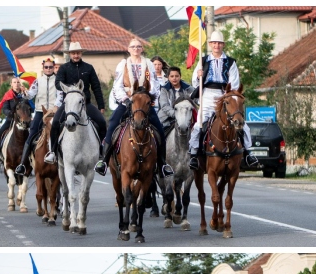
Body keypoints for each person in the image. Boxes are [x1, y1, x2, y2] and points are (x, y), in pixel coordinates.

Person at [94, 38, 173, 178]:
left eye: (138, 46)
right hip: (128, 101)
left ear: (142, 49)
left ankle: (162, 164)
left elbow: (155, 84)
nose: (136, 49)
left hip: (143, 102)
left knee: (159, 130)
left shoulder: (148, 64)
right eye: (133, 47)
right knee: (112, 125)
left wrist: (148, 96)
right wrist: (125, 99)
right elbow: (117, 86)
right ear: (128, 49)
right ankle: (104, 161)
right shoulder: (123, 64)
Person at [189, 30, 258, 171]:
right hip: (207, 95)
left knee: (241, 123)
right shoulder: (203, 60)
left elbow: (235, 83)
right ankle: (194, 154)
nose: (217, 46)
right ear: (210, 44)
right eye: (214, 43)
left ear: (223, 45)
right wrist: (198, 76)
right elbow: (195, 83)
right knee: (199, 124)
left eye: (219, 43)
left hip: (225, 94)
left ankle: (248, 153)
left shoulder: (230, 62)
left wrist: (228, 95)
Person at [44, 42, 107, 165]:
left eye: (78, 53)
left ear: (81, 53)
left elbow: (96, 87)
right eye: (73, 53)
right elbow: (58, 83)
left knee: (102, 122)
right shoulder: (64, 68)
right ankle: (53, 152)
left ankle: (100, 151)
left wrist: (101, 105)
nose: (76, 55)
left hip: (85, 104)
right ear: (70, 54)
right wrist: (71, 88)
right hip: (68, 104)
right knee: (55, 122)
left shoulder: (89, 68)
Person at [14, 59, 59, 175]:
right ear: (43, 68)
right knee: (32, 132)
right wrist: (25, 92)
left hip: (54, 112)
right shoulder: (37, 82)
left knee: (65, 131)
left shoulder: (58, 81)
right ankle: (23, 164)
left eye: (50, 67)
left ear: (54, 68)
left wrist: (56, 107)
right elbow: (30, 95)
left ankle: (69, 162)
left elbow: (60, 96)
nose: (48, 69)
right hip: (40, 111)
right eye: (46, 67)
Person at [0, 77, 27, 159]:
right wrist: (11, 113)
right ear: (11, 84)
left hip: (24, 120)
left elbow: (30, 107)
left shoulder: (25, 94)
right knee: (0, 133)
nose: (16, 84)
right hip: (11, 119)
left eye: (18, 82)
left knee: (33, 132)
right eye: (14, 82)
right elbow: (5, 109)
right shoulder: (8, 95)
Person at [157, 66, 194, 132]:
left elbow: (195, 100)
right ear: (168, 77)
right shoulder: (164, 89)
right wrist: (176, 114)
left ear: (180, 76)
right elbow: (164, 105)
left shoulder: (188, 88)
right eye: (172, 76)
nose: (174, 78)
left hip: (186, 117)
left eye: (176, 76)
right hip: (167, 118)